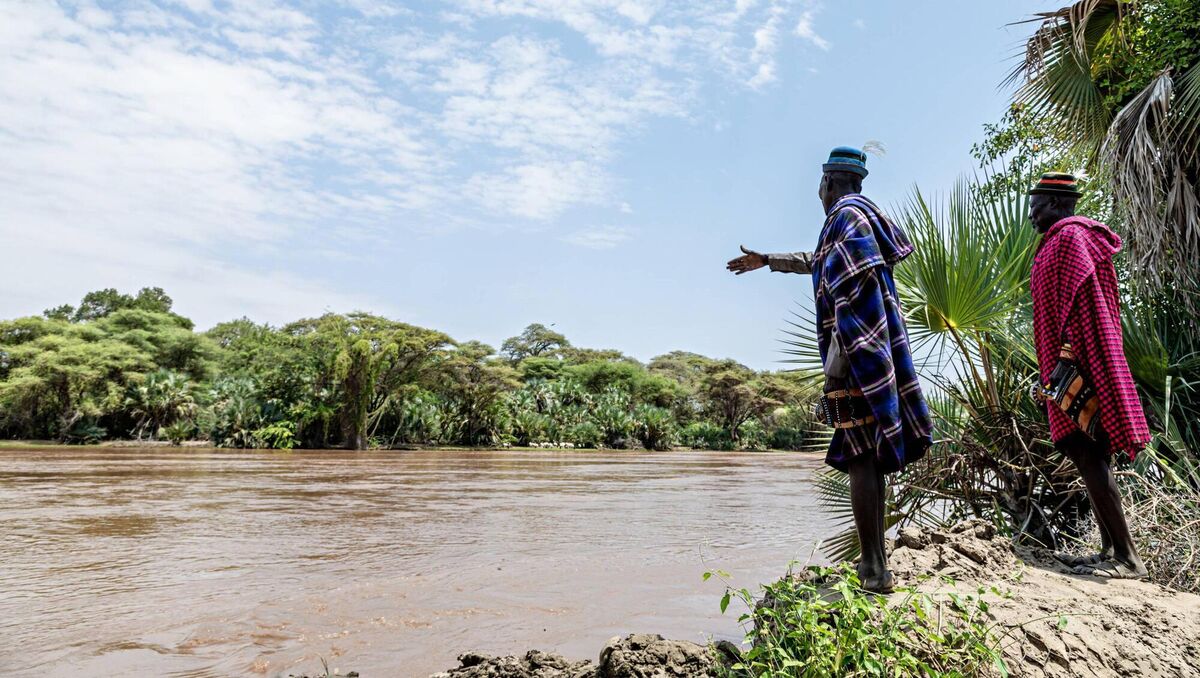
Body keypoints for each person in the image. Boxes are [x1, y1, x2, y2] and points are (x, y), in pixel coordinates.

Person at [726, 147, 933, 592]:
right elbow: (823, 262)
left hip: (858, 354)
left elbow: (848, 292)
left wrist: (843, 362)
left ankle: (874, 568)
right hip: (872, 352)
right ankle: (874, 563)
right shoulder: (858, 217)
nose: (818, 193)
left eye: (819, 185)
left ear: (830, 183)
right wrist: (770, 260)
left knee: (860, 457)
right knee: (869, 458)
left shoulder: (845, 217)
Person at [1028, 172, 1151, 579]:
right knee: (1086, 454)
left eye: (1037, 205)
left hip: (1080, 364)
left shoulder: (1071, 238)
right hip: (1068, 364)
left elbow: (1086, 308)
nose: (1031, 214)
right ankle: (1109, 550)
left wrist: (1072, 362)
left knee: (1091, 453)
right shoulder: (1058, 242)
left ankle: (1127, 558)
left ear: (1059, 205)